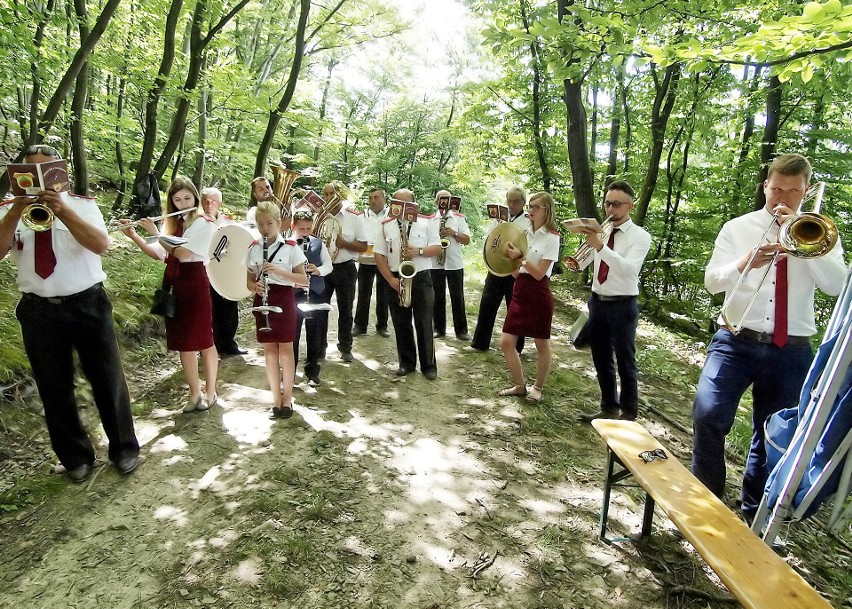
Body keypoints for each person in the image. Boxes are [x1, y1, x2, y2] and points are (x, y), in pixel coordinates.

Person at [690, 153, 846, 523]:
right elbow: (712, 281)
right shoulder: (738, 227)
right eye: (776, 188)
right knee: (707, 414)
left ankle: (752, 517)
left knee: (772, 433)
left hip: (791, 348)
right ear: (765, 186)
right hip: (734, 338)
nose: (783, 198)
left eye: (793, 191)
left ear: (806, 192)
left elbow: (837, 286)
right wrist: (745, 262)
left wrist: (806, 246)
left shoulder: (822, 232)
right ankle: (703, 505)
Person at [0, 144, 139, 482]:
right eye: (30, 170)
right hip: (38, 309)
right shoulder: (8, 209)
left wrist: (62, 211)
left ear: (60, 173)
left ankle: (124, 448)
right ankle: (75, 457)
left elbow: (100, 244)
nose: (39, 178)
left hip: (88, 303)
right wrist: (17, 210)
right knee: (53, 386)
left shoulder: (83, 205)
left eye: (46, 170)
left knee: (107, 379)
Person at [123, 177, 219, 414]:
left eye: (187, 198)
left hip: (195, 281)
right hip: (174, 282)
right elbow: (158, 253)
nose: (182, 203)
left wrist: (157, 233)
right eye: (177, 199)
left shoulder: (203, 223)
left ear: (195, 198)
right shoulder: (174, 222)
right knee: (183, 342)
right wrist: (134, 235)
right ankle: (194, 393)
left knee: (204, 340)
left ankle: (211, 392)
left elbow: (184, 254)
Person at [577, 180, 652, 422]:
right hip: (598, 301)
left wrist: (600, 247)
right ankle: (608, 407)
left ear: (630, 206)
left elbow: (629, 270)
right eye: (607, 204)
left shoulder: (640, 236)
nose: (610, 210)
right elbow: (593, 260)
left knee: (625, 360)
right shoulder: (604, 231)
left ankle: (629, 414)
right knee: (601, 357)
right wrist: (582, 255)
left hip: (623, 304)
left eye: (616, 204)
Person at [497, 191, 561, 403]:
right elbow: (518, 270)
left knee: (541, 343)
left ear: (547, 210)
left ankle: (538, 387)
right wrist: (510, 261)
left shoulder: (552, 237)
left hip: (539, 291)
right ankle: (519, 385)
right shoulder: (523, 232)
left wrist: (521, 258)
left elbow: (539, 273)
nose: (530, 210)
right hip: (520, 289)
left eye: (536, 207)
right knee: (507, 342)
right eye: (530, 206)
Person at [246, 202, 308, 418]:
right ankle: (275, 400)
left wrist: (280, 272)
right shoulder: (253, 248)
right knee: (270, 351)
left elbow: (303, 279)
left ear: (279, 223)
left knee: (286, 350)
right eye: (260, 224)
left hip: (284, 298)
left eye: (269, 224)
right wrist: (256, 286)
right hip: (263, 299)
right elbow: (249, 282)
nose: (265, 228)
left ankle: (288, 399)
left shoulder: (291, 247)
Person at [373, 189, 441, 379]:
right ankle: (407, 363)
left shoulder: (426, 222)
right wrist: (390, 279)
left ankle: (429, 366)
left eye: (406, 203)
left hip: (420, 277)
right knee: (401, 323)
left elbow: (437, 248)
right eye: (397, 202)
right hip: (395, 277)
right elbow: (379, 255)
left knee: (424, 321)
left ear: (414, 204)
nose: (402, 208)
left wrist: (417, 252)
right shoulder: (385, 224)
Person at [471, 186, 531, 352]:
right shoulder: (499, 218)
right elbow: (489, 240)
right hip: (496, 268)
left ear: (523, 202)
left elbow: (529, 247)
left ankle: (517, 348)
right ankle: (480, 343)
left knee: (516, 309)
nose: (512, 205)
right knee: (487, 305)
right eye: (509, 201)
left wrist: (517, 267)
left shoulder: (528, 221)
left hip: (516, 271)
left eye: (516, 201)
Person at [315, 180, 368, 362]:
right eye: (326, 194)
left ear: (340, 196)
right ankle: (319, 348)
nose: (328, 198)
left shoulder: (354, 217)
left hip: (345, 268)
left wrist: (344, 244)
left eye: (332, 194)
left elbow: (363, 246)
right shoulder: (319, 216)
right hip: (323, 268)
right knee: (320, 309)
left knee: (345, 310)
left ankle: (345, 347)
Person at [201, 186, 246, 356]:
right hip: (206, 271)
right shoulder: (197, 222)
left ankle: (228, 343)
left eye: (213, 201)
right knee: (209, 309)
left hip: (225, 271)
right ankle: (209, 345)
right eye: (205, 201)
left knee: (228, 307)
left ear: (219, 203)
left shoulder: (228, 224)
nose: (209, 204)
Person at [291, 208, 332, 386]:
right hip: (294, 293)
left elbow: (329, 265)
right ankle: (290, 371)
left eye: (308, 229)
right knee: (293, 333)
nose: (306, 233)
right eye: (302, 229)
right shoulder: (287, 244)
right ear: (294, 226)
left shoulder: (318, 243)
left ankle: (313, 371)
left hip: (315, 292)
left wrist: (318, 270)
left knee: (314, 333)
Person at [430, 190, 471, 340]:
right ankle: (439, 329)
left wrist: (454, 234)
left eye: (447, 199)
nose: (444, 202)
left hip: (454, 263)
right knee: (437, 297)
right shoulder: (431, 220)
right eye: (441, 199)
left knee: (457, 296)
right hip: (435, 263)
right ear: (436, 201)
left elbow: (467, 240)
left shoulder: (459, 218)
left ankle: (461, 331)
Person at [353, 187, 390, 337]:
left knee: (383, 294)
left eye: (376, 197)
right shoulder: (361, 216)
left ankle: (382, 325)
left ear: (384, 199)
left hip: (384, 261)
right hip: (366, 261)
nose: (373, 201)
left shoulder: (390, 216)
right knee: (363, 293)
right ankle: (360, 325)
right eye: (370, 198)